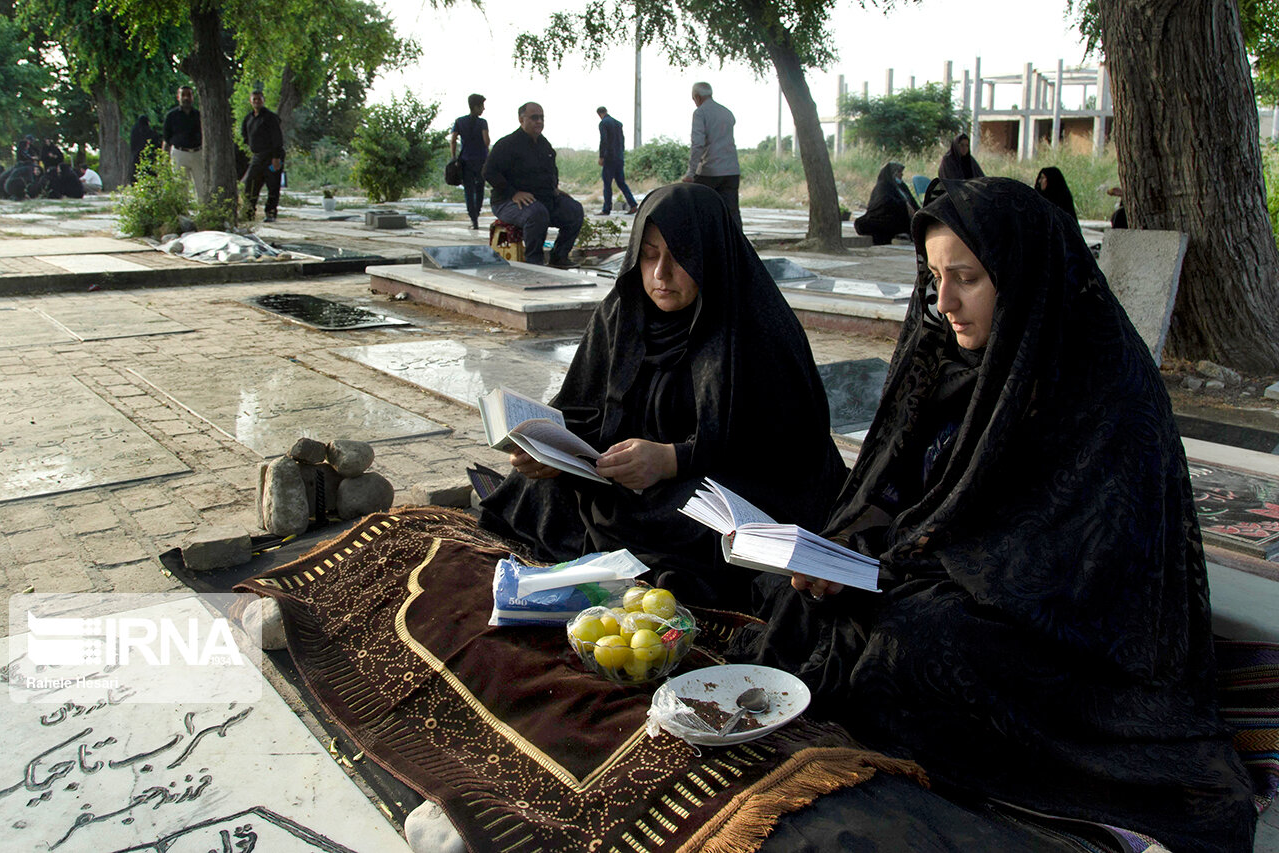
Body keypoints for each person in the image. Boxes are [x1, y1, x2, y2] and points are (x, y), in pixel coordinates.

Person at [734, 178, 1256, 852]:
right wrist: (843, 549)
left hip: (1063, 631)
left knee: (917, 638)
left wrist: (897, 567)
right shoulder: (943, 359)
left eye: (968, 278)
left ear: (1020, 277)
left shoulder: (1102, 389)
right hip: (933, 573)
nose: (943, 301)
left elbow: (1073, 569)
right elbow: (888, 487)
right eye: (933, 276)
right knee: (801, 597)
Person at [478, 183, 846, 610]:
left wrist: (674, 459)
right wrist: (549, 449)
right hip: (624, 474)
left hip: (720, 484)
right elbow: (582, 408)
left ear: (710, 256)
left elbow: (789, 451)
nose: (660, 275)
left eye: (681, 258)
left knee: (693, 524)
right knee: (537, 489)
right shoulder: (622, 312)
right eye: (649, 255)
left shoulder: (756, 329)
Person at [482, 102, 584, 266]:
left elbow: (551, 171)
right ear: (521, 119)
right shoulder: (507, 144)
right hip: (508, 202)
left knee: (574, 210)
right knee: (537, 214)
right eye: (534, 117)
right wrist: (513, 193)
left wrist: (554, 189)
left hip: (543, 199)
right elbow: (489, 172)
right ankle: (534, 262)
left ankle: (559, 256)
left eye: (541, 118)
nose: (539, 121)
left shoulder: (545, 145)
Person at [681, 82, 741, 228]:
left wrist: (691, 172)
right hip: (732, 170)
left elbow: (698, 144)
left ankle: (705, 244)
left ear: (697, 97)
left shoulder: (700, 113)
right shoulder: (727, 112)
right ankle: (738, 246)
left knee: (701, 209)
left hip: (710, 170)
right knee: (732, 212)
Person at [241, 89, 286, 222]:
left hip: (272, 156)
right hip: (258, 156)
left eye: (259, 99)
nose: (256, 102)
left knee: (273, 185)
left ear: (263, 100)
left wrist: (276, 158)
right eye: (254, 99)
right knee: (251, 184)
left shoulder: (271, 117)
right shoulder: (248, 118)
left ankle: (271, 212)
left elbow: (277, 138)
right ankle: (249, 212)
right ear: (250, 101)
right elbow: (245, 135)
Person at [853, 162, 919, 245]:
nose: (901, 175)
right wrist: (904, 205)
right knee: (861, 223)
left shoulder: (902, 186)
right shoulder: (882, 186)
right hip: (885, 216)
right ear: (893, 174)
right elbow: (884, 204)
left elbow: (912, 202)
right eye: (899, 172)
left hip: (903, 219)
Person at [450, 93, 490, 230]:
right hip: (481, 161)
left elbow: (453, 140)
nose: (483, 109)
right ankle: (476, 215)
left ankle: (473, 220)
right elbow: (486, 142)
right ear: (476, 107)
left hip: (465, 160)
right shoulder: (482, 122)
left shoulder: (459, 121)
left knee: (468, 190)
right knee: (479, 189)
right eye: (482, 106)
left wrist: (454, 157)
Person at [163, 85, 203, 199]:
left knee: (202, 185)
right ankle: (183, 214)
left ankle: (204, 213)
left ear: (193, 97)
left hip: (197, 153)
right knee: (180, 187)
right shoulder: (171, 116)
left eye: (189, 95)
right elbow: (166, 139)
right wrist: (164, 160)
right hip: (179, 153)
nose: (186, 98)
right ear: (178, 97)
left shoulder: (199, 115)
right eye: (183, 95)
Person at [596, 106, 638, 215]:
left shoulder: (603, 123)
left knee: (607, 184)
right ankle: (633, 204)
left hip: (609, 158)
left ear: (599, 114)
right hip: (619, 157)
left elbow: (603, 141)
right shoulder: (618, 124)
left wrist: (601, 157)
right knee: (621, 182)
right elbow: (622, 141)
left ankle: (606, 209)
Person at [128, 115, 162, 183]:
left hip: (136, 157)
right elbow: (156, 145)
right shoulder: (151, 133)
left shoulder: (134, 131)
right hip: (149, 158)